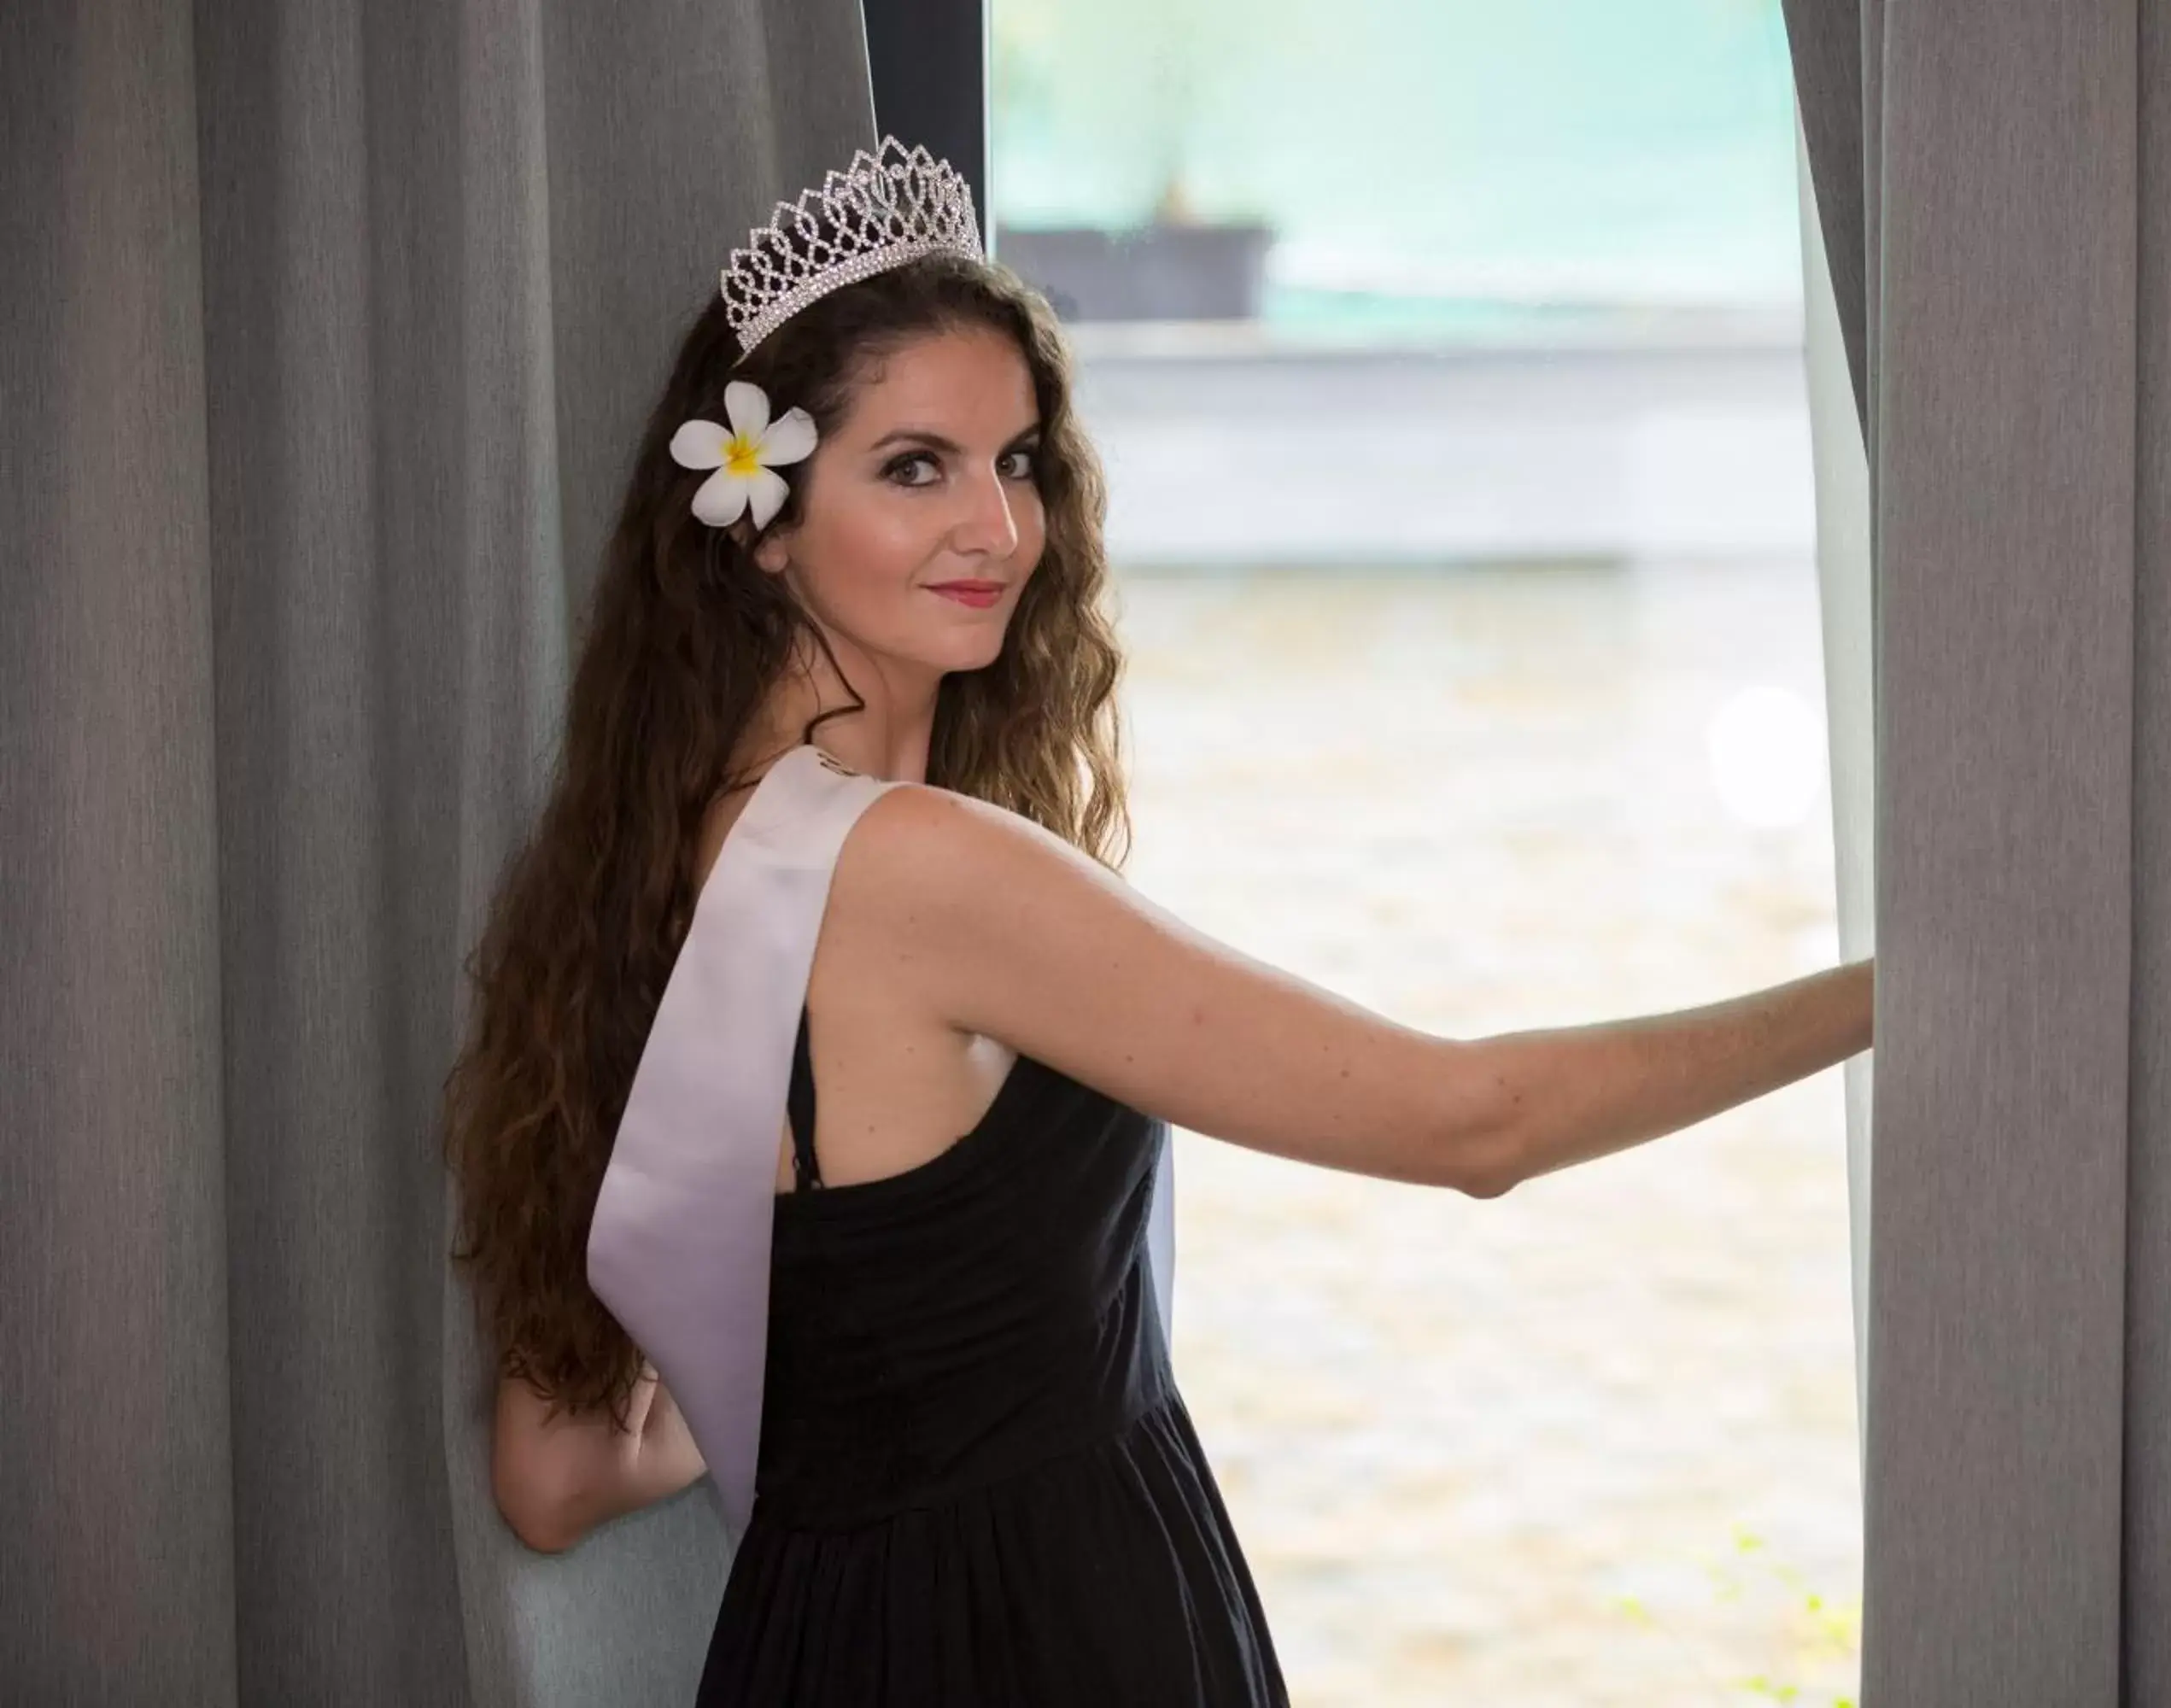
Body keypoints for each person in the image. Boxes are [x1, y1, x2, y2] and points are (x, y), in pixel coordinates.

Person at [441, 137, 1875, 1707]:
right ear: (765, 520)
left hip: (820, 1642)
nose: (996, 527)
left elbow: (557, 1470)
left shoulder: (658, 861)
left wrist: (858, 1392)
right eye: (915, 466)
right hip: (1044, 1637)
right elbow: (1478, 1122)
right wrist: (1892, 986)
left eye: (1020, 459)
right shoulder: (919, 872)